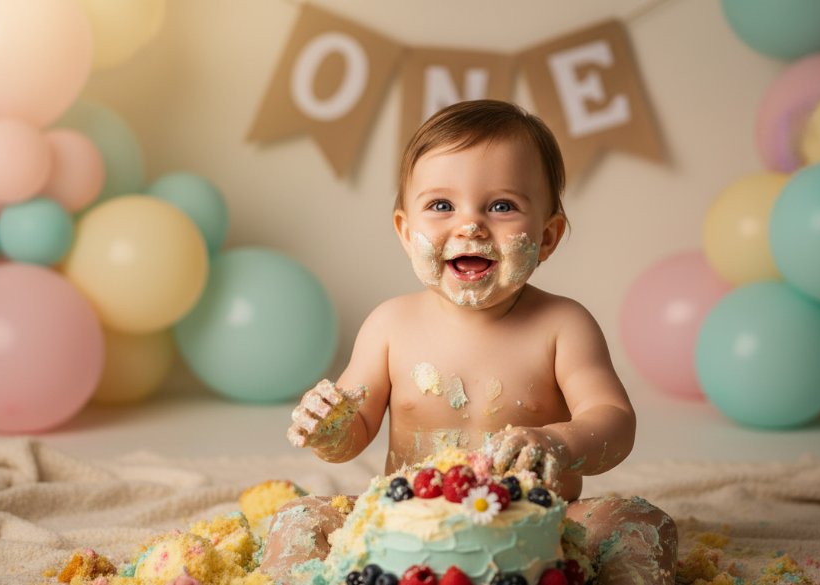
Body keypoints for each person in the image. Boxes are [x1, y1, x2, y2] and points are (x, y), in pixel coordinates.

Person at [264, 99, 677, 584]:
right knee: (300, 518)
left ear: (547, 237)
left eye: (502, 206)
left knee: (641, 522)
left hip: (542, 526)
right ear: (405, 230)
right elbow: (353, 435)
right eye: (441, 205)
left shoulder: (563, 325)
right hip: (404, 526)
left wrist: (557, 442)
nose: (470, 225)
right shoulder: (389, 325)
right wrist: (330, 427)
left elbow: (614, 422)